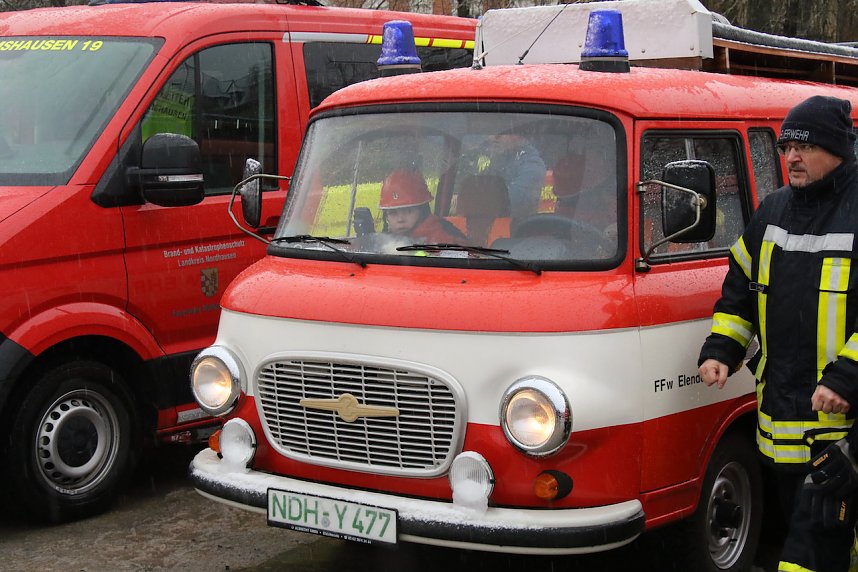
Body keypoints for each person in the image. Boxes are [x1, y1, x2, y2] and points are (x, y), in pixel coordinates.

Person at [698, 95, 858, 572]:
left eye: (804, 147)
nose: (791, 157)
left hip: (841, 431)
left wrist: (846, 377)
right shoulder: (772, 211)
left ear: (837, 150)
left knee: (808, 554)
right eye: (787, 146)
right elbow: (739, 291)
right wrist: (722, 349)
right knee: (817, 541)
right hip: (780, 426)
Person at [379, 169, 465, 244]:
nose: (400, 219)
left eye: (409, 211)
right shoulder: (383, 241)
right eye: (393, 213)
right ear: (386, 216)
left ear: (422, 211)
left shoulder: (443, 239)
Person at [483, 133, 546, 220]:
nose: (493, 137)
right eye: (492, 132)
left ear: (520, 135)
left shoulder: (533, 166)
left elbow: (511, 205)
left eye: (501, 133)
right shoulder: (499, 160)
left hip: (518, 230)